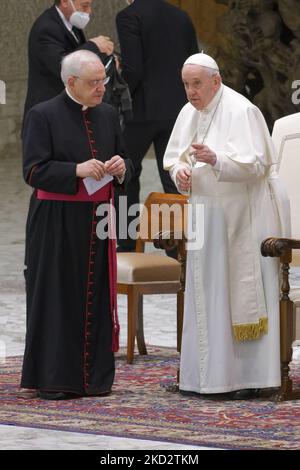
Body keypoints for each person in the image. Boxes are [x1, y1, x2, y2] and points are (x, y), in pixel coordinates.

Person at [163, 53, 291, 399]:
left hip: (242, 216)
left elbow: (258, 165)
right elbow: (173, 157)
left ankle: (245, 377)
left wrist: (216, 159)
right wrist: (181, 172)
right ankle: (204, 377)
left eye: (197, 84)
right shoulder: (189, 112)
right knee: (207, 292)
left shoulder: (241, 110)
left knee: (231, 291)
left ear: (215, 81)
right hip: (206, 213)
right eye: (186, 85)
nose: (191, 92)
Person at [21, 50, 133, 400]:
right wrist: (76, 170)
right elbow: (33, 170)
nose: (102, 88)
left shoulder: (108, 113)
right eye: (93, 82)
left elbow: (128, 159)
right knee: (58, 296)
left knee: (96, 294)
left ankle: (96, 379)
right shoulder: (42, 114)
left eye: (103, 81)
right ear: (71, 82)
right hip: (55, 223)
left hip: (97, 221)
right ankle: (57, 379)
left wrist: (122, 166)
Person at [115, 0, 199, 251]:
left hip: (139, 111)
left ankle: (128, 242)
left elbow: (134, 68)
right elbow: (192, 59)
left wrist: (118, 84)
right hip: (176, 109)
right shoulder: (181, 16)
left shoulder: (128, 16)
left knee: (125, 174)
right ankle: (175, 246)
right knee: (173, 175)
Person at [23, 0, 114, 121]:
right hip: (48, 114)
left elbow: (78, 57)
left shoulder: (71, 23)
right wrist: (93, 46)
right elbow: (62, 65)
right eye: (85, 6)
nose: (89, 11)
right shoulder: (46, 28)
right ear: (65, 2)